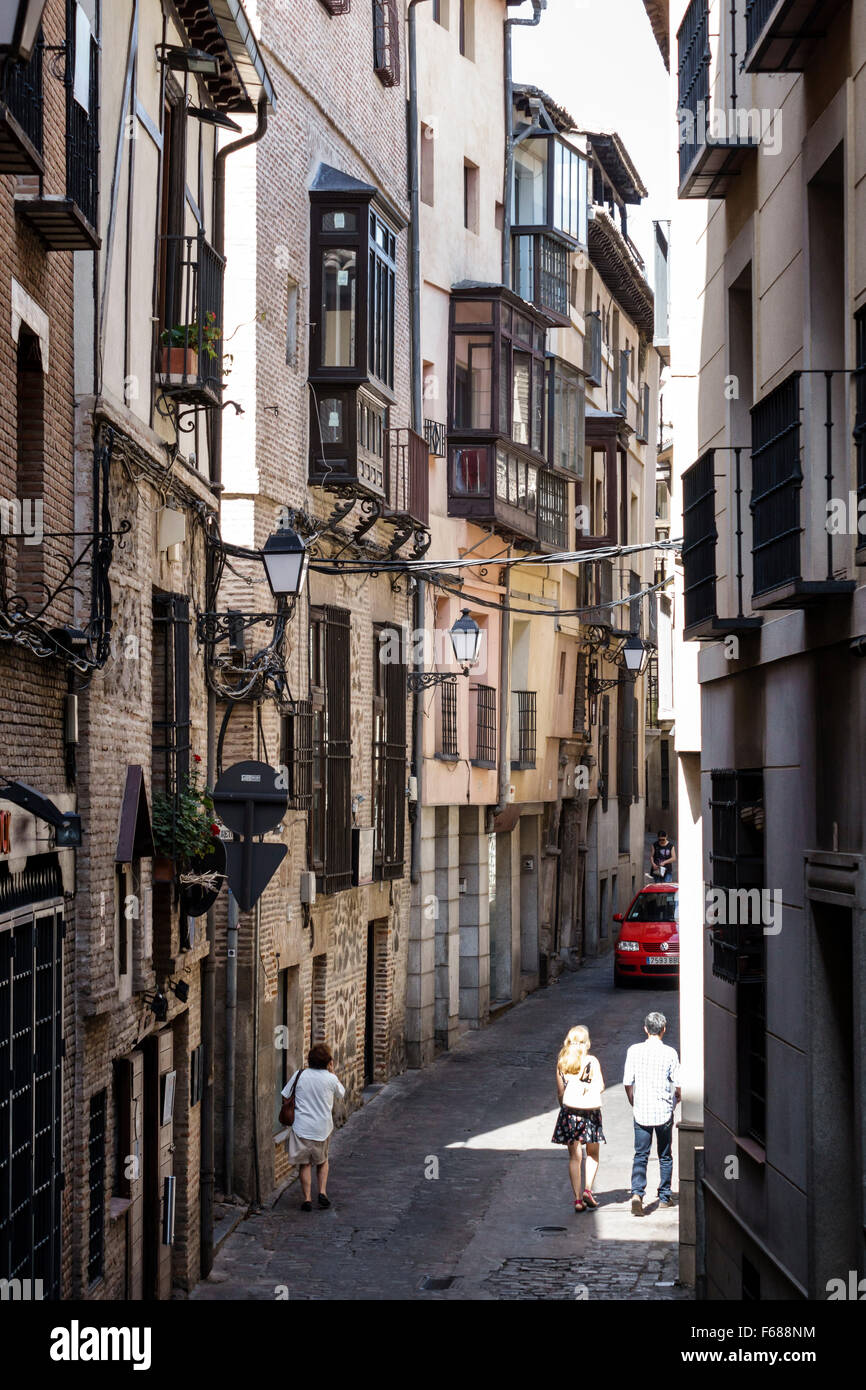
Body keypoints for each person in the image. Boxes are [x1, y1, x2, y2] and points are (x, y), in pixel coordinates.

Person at [623, 1011, 681, 1215]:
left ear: (645, 1029)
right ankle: (665, 1196)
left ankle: (637, 1193)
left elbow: (628, 1082)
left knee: (641, 1154)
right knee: (665, 1155)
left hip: (642, 1111)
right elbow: (679, 1084)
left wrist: (633, 1100)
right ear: (664, 1030)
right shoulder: (670, 1053)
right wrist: (676, 1099)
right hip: (664, 1111)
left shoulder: (634, 1051)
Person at [282, 1042, 345, 1212]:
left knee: (305, 1164)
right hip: (322, 1129)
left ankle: (307, 1199)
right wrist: (333, 1072)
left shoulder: (299, 1075)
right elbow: (341, 1093)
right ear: (328, 1061)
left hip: (301, 1127)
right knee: (322, 1161)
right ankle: (322, 1193)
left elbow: (285, 1094)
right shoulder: (331, 1079)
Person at [551, 1025, 605, 1212]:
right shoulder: (592, 1061)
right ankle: (588, 1189)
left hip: (570, 1112)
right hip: (590, 1112)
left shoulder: (562, 1063)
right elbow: (601, 1086)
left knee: (575, 1156)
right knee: (593, 1154)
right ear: (586, 1042)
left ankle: (577, 1199)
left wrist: (565, 1107)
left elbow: (560, 1092)